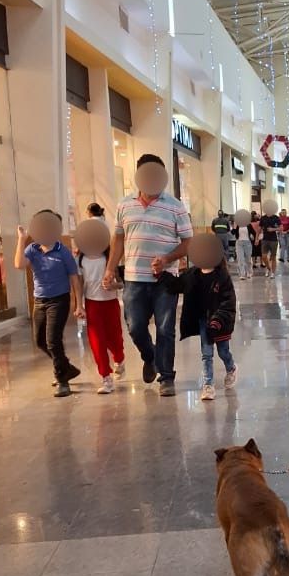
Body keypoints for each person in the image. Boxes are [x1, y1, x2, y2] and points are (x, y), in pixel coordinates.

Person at [104, 153, 193, 397]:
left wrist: (166, 259)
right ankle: (150, 356)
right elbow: (118, 239)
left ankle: (166, 376)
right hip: (133, 278)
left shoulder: (175, 206)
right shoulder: (124, 205)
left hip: (165, 280)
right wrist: (111, 268)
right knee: (135, 327)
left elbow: (188, 242)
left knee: (165, 328)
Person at [14, 211, 82, 398]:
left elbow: (74, 279)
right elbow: (19, 264)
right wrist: (22, 239)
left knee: (53, 340)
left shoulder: (63, 252)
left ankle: (62, 380)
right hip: (39, 300)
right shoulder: (33, 249)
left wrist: (78, 304)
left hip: (59, 300)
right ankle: (66, 367)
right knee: (40, 341)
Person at [162, 235, 238, 400]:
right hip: (204, 321)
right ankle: (208, 385)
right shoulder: (192, 275)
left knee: (223, 351)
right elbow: (177, 285)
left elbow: (228, 301)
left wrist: (218, 320)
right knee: (206, 353)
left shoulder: (222, 276)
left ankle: (231, 368)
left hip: (221, 323)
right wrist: (161, 274)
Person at [75, 230, 125, 394]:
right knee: (97, 342)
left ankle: (119, 359)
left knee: (115, 339)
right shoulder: (80, 259)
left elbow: (121, 283)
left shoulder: (109, 258)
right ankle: (106, 377)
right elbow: (79, 284)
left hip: (110, 304)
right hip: (92, 304)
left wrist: (113, 286)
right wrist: (79, 305)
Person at [260, 207, 280, 276]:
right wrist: (257, 237)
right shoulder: (263, 218)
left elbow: (281, 228)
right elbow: (260, 228)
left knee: (273, 257)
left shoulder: (276, 218)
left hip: (273, 240)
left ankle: (273, 273)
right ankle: (269, 268)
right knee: (264, 256)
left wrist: (273, 229)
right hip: (265, 239)